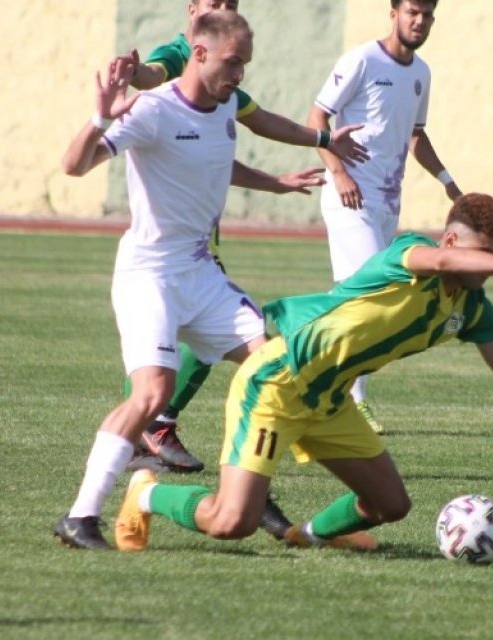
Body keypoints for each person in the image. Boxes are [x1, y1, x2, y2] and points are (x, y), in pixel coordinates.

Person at [111, 193, 493, 554]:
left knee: (391, 506)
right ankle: (148, 493)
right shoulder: (408, 257)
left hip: (330, 401)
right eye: (484, 254)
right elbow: (442, 260)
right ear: (451, 241)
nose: (488, 267)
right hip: (278, 385)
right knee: (232, 522)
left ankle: (308, 535)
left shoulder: (471, 308)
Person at [53, 10, 318, 550]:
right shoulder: (151, 110)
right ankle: (80, 517)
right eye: (232, 61)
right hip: (149, 273)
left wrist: (276, 184)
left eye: (245, 62)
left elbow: (213, 162)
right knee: (153, 393)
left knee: (275, 368)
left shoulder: (222, 107)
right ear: (199, 53)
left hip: (198, 271)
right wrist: (99, 118)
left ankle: (247, 487)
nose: (240, 73)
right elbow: (73, 165)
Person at [117, 0, 369, 474]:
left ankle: (156, 424)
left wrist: (311, 149)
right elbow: (154, 76)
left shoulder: (227, 70)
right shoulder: (183, 51)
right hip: (165, 246)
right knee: (194, 344)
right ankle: (153, 425)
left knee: (226, 335)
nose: (222, 8)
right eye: (213, 2)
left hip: (197, 233)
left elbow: (257, 118)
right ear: (192, 11)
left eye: (230, 3)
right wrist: (134, 77)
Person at [306, 0, 462, 433]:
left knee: (352, 297)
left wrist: (448, 182)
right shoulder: (361, 59)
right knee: (374, 297)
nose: (420, 20)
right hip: (349, 197)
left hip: (386, 202)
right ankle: (350, 400)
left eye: (428, 14)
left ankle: (313, 370)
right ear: (393, 12)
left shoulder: (421, 73)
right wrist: (337, 173)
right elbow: (316, 117)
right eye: (413, 11)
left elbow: (415, 135)